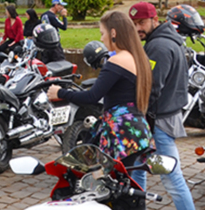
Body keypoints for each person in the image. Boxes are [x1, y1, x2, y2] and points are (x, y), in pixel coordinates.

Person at [129, 2, 205, 210]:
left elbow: (152, 89)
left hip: (158, 124)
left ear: (153, 19)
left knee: (172, 180)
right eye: (135, 25)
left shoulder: (159, 46)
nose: (138, 29)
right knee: (138, 173)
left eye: (141, 23)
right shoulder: (168, 40)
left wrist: (141, 122)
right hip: (164, 119)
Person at [48, 10, 152, 163]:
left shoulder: (117, 61)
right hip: (136, 128)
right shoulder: (138, 58)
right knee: (129, 181)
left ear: (113, 33)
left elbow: (92, 96)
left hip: (120, 131)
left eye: (102, 33)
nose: (101, 38)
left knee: (107, 181)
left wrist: (60, 92)